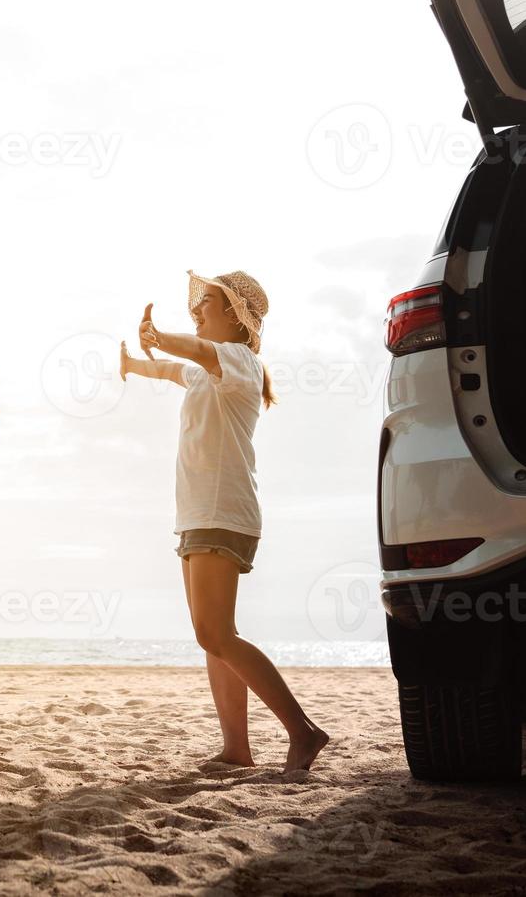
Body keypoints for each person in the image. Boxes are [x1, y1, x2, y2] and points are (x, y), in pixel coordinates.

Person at [120, 271, 329, 773]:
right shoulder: (205, 370)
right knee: (213, 635)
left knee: (215, 633)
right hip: (197, 512)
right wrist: (132, 362)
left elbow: (192, 351)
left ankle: (303, 732)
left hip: (222, 511)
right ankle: (238, 748)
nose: (198, 310)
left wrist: (158, 336)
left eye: (207, 303)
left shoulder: (239, 359)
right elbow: (174, 370)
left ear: (236, 317)